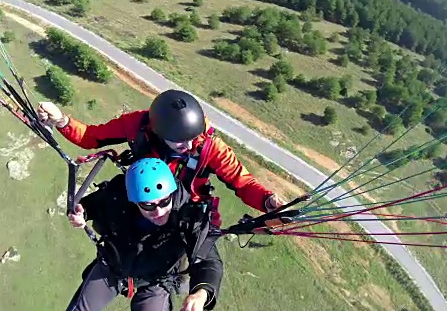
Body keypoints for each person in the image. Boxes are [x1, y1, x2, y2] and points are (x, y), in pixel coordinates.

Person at [37, 89, 285, 227]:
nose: (188, 145)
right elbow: (91, 137)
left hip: (186, 203)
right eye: (179, 141)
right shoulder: (137, 124)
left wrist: (267, 201)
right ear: (157, 131)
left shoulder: (210, 146)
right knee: (115, 191)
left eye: (193, 137)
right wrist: (61, 120)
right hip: (146, 194)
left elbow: (241, 181)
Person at [58, 158, 223, 311]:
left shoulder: (188, 213)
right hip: (113, 267)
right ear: (134, 200)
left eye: (164, 202)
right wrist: (82, 213)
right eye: (148, 205)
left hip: (157, 281)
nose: (159, 211)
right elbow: (92, 204)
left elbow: (209, 259)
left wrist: (201, 294)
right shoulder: (118, 193)